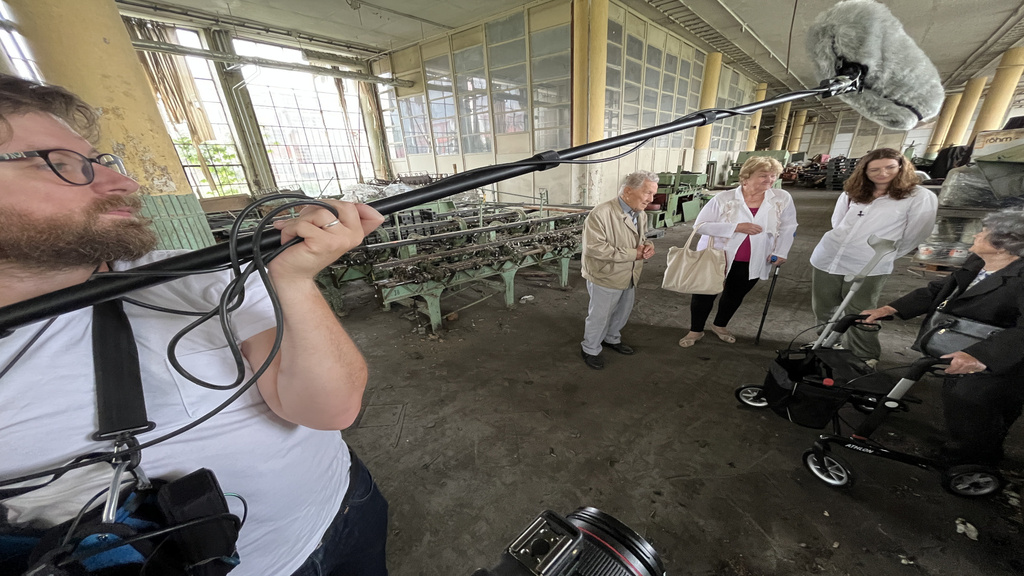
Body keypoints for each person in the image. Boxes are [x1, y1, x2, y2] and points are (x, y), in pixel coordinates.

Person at [0, 75, 388, 575]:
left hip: (342, 509)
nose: (124, 183)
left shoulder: (195, 274)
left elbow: (329, 408)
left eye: (100, 161)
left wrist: (293, 283)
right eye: (62, 164)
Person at [862, 209, 1024, 466]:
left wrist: (980, 356)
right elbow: (939, 289)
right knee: (959, 403)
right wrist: (891, 308)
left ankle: (972, 464)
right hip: (961, 347)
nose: (977, 234)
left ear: (1005, 245)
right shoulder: (977, 263)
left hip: (998, 361)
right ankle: (959, 446)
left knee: (979, 409)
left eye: (984, 232)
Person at [810, 148, 937, 366]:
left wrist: (888, 254)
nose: (882, 173)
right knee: (824, 305)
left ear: (901, 167)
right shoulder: (853, 192)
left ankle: (863, 355)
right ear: (865, 171)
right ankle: (829, 341)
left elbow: (918, 232)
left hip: (870, 263)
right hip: (828, 256)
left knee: (861, 311)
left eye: (890, 167)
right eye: (875, 169)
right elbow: (838, 223)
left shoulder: (918, 197)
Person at [678, 156, 797, 348]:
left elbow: (789, 226)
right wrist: (736, 227)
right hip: (717, 256)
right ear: (746, 177)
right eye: (763, 175)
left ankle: (720, 325)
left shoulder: (781, 198)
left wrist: (782, 251)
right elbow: (700, 226)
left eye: (773, 175)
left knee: (734, 295)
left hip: (755, 257)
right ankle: (696, 330)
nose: (769, 180)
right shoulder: (724, 199)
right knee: (704, 294)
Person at [579, 171, 656, 370]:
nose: (651, 199)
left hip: (629, 273)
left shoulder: (640, 214)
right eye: (647, 193)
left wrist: (647, 246)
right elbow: (594, 249)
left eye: (653, 194)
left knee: (622, 311)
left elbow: (642, 238)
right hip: (606, 274)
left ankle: (612, 338)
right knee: (600, 315)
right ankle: (590, 348)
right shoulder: (601, 213)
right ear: (628, 191)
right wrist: (633, 254)